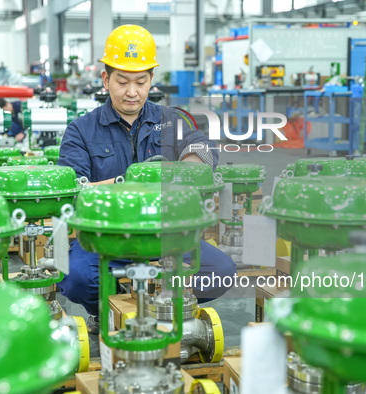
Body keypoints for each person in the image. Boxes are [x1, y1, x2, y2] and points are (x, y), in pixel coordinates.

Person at [56, 24, 236, 334]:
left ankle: (163, 302)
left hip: (165, 233)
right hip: (105, 237)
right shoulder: (81, 130)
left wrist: (182, 172)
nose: (132, 91)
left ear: (151, 79)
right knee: (75, 279)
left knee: (220, 272)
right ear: (105, 79)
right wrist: (129, 183)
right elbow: (74, 190)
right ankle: (108, 309)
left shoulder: (170, 120)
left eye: (141, 81)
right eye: (122, 81)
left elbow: (203, 149)